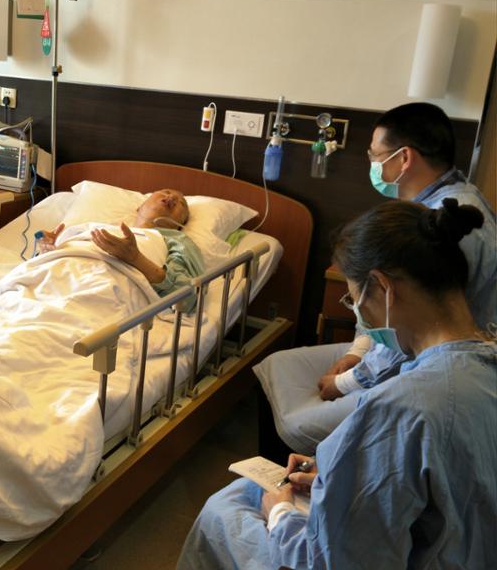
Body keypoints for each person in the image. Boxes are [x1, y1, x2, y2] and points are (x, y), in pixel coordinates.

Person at [178, 199, 497, 570]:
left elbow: (336, 562)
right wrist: (336, 471)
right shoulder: (481, 366)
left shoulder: (402, 407)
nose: (360, 315)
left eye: (354, 300)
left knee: (226, 507)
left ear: (382, 287)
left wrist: (281, 515)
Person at [254, 102, 496, 453]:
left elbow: (412, 324)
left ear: (404, 158)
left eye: (375, 155)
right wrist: (357, 353)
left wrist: (346, 382)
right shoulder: (449, 209)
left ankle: (288, 473)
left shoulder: (447, 229)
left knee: (296, 422)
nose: (372, 164)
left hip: (414, 367)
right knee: (276, 364)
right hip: (417, 354)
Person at [38, 189, 205, 312]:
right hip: (48, 287)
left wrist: (135, 258)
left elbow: (188, 299)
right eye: (166, 192)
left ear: (180, 223)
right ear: (139, 207)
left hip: (97, 296)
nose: (172, 198)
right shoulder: (95, 228)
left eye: (181, 203)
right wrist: (47, 251)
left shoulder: (178, 241)